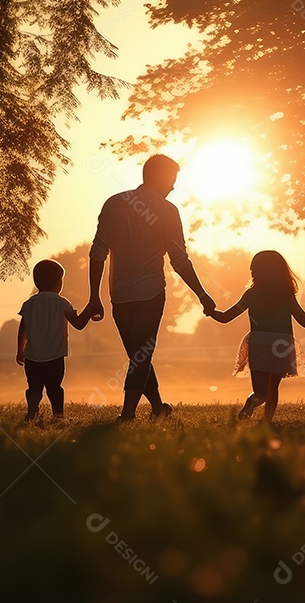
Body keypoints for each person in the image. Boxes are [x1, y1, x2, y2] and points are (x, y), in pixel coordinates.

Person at [85, 154, 216, 421]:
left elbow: (97, 253)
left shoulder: (114, 204)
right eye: (172, 181)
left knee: (138, 354)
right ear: (160, 177)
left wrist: (94, 297)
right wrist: (202, 294)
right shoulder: (168, 212)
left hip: (118, 295)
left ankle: (157, 408)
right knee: (140, 355)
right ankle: (128, 414)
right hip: (150, 293)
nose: (173, 188)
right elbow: (179, 260)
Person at [209, 250, 305, 422]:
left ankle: (251, 402)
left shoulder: (251, 294)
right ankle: (267, 421)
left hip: (258, 344)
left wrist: (210, 311)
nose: (252, 273)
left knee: (260, 392)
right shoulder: (285, 295)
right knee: (273, 390)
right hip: (281, 345)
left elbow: (226, 317)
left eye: (253, 270)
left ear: (257, 272)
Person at [16, 260, 90, 421]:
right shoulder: (61, 303)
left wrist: (20, 350)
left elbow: (23, 328)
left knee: (34, 387)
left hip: (32, 356)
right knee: (54, 388)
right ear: (58, 283)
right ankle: (58, 415)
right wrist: (90, 310)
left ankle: (32, 412)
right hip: (54, 356)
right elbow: (78, 324)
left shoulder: (29, 304)